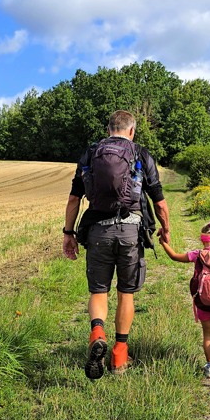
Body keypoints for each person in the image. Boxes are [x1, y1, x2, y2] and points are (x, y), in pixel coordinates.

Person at [62, 110, 171, 380]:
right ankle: (120, 355)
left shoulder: (91, 153)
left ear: (108, 128)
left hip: (98, 231)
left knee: (99, 291)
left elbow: (74, 199)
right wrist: (165, 228)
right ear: (132, 131)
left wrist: (68, 233)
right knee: (126, 293)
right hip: (131, 233)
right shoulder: (140, 153)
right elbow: (158, 201)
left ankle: (97, 332)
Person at [159, 221, 210, 382]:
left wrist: (163, 243)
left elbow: (174, 256)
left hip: (203, 303)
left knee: (208, 334)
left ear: (203, 240)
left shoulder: (198, 255)